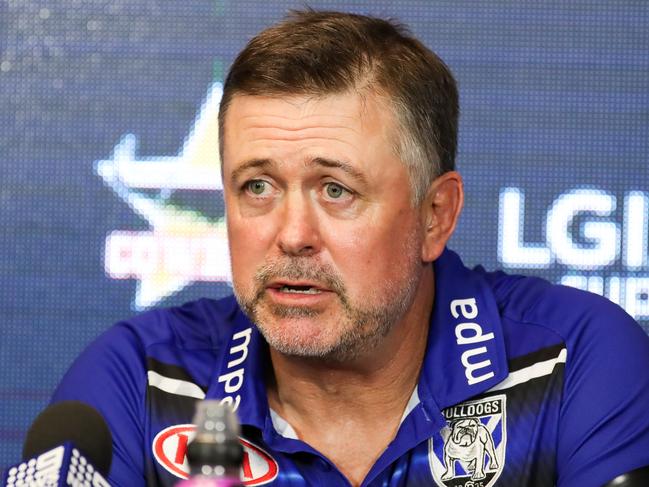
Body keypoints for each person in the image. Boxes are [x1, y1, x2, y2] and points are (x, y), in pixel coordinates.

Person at [50, 10, 649, 487]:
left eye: (335, 190)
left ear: (435, 216)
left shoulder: (569, 364)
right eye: (257, 186)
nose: (290, 235)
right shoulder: (143, 382)